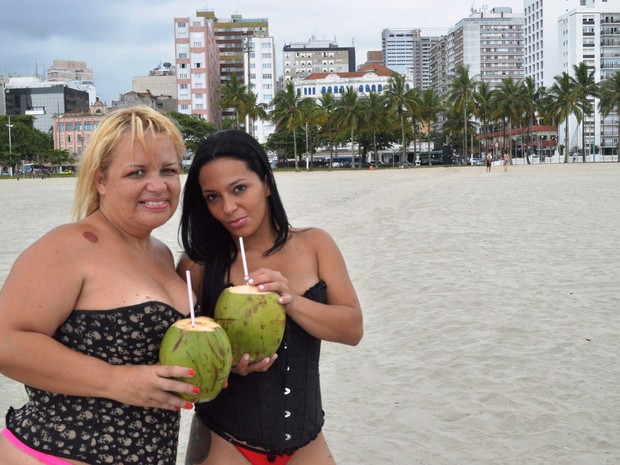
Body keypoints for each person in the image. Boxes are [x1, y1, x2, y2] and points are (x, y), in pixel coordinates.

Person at [0, 105, 200, 465]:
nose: (158, 185)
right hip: (56, 454)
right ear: (100, 181)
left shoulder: (161, 255)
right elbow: (6, 343)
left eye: (168, 170)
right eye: (137, 172)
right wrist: (114, 380)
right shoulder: (68, 247)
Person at [177, 129, 363, 465]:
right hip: (224, 440)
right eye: (212, 197)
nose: (228, 208)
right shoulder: (198, 265)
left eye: (239, 188)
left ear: (265, 182)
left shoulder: (315, 245)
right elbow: (181, 357)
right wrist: (225, 368)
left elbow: (352, 330)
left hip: (307, 442)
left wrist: (290, 299)